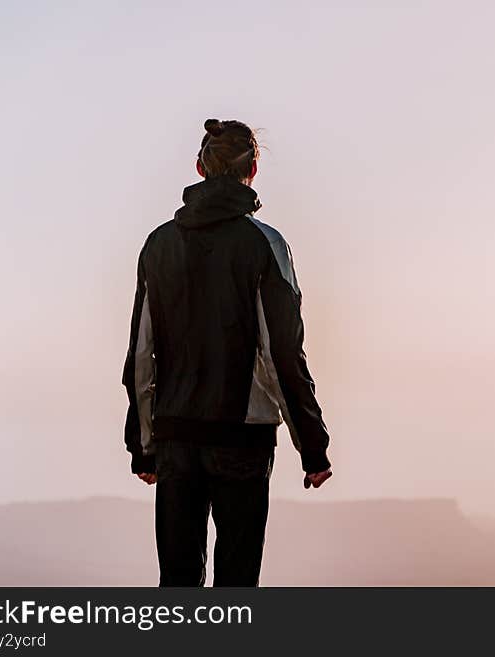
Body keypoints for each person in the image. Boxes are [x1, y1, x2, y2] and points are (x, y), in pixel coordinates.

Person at [122, 118, 333, 586]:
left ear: (199, 167)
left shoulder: (158, 244)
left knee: (177, 585)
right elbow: (283, 353)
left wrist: (144, 445)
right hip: (242, 439)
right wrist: (311, 444)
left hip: (175, 437)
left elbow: (141, 354)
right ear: (253, 169)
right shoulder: (265, 243)